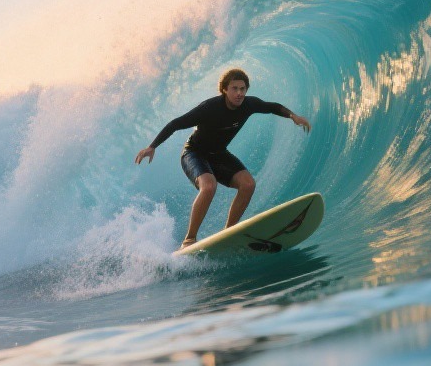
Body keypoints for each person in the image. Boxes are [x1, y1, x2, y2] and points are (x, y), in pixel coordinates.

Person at [134, 68, 312, 249]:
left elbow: (272, 106)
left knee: (248, 184)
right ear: (225, 89)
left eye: (243, 89)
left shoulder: (249, 105)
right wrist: (152, 146)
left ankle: (229, 232)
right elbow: (176, 124)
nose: (239, 93)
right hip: (194, 153)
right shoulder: (209, 108)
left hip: (218, 154)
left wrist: (292, 116)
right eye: (234, 88)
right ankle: (189, 239)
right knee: (209, 186)